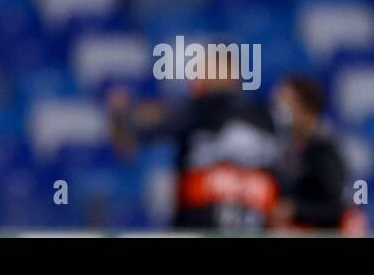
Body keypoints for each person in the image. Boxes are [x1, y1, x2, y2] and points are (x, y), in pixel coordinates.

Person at [108, 73, 280, 231]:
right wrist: (122, 116)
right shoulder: (194, 110)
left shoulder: (263, 116)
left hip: (253, 228)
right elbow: (131, 140)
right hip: (196, 228)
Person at [269, 75, 353, 232]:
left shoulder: (325, 152)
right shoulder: (285, 148)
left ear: (307, 108)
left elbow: (336, 207)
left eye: (287, 104)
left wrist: (296, 210)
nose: (280, 111)